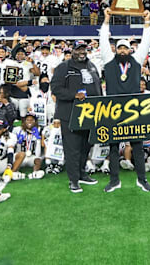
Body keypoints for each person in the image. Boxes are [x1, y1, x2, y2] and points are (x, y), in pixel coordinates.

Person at [100, 8, 150, 193]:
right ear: (116, 49)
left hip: (133, 109)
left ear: (130, 49)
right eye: (119, 47)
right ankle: (114, 180)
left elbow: (146, 42)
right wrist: (106, 20)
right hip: (113, 109)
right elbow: (103, 41)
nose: (122, 50)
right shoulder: (108, 59)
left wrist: (147, 23)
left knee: (137, 145)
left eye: (125, 47)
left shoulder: (137, 60)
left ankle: (142, 179)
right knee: (113, 146)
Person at [51, 40, 102, 193]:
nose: (81, 52)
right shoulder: (63, 67)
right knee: (72, 148)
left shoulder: (92, 65)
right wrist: (74, 95)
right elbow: (55, 89)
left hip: (90, 113)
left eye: (83, 49)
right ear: (72, 51)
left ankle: (82, 174)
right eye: (78, 49)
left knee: (86, 145)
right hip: (70, 113)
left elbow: (98, 86)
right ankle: (73, 180)